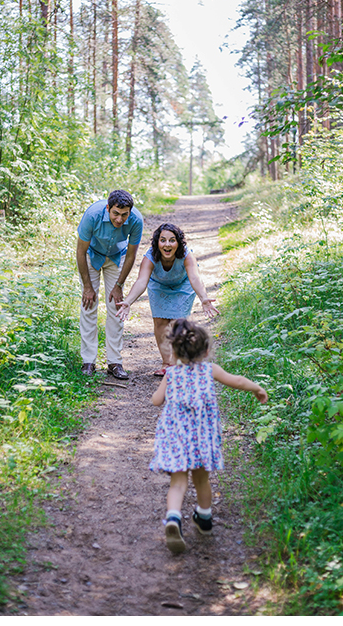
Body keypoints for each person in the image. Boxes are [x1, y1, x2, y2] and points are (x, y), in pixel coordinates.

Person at [149, 319, 268, 554]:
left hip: (177, 438)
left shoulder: (171, 374)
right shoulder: (209, 370)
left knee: (178, 482)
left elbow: (156, 400)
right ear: (205, 350)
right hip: (202, 438)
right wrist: (257, 388)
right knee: (201, 480)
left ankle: (173, 519)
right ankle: (204, 518)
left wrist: (163, 390)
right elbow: (237, 381)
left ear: (174, 351)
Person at [115, 222, 219, 375]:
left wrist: (203, 297)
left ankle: (178, 363)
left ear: (178, 242)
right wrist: (128, 301)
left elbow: (195, 278)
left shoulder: (186, 255)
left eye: (172, 240)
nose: (167, 244)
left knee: (178, 323)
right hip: (158, 286)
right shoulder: (150, 256)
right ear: (157, 242)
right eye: (163, 240)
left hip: (183, 286)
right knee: (160, 321)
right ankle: (166, 363)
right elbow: (141, 281)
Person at [76, 189, 144, 379]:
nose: (120, 219)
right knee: (89, 305)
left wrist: (119, 285)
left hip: (117, 257)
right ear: (108, 208)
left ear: (130, 212)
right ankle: (88, 361)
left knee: (116, 306)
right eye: (116, 213)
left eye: (124, 215)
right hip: (92, 255)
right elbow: (80, 252)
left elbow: (131, 255)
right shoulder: (92, 215)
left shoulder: (137, 220)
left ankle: (115, 362)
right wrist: (88, 287)